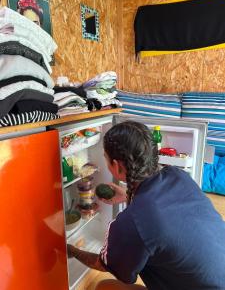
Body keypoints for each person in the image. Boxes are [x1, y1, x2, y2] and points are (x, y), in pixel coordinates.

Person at [67, 120, 225, 290]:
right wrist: (128, 197)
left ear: (117, 166)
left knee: (104, 287)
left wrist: (71, 250)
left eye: (105, 158)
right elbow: (156, 215)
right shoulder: (177, 175)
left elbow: (104, 264)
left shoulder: (130, 223)